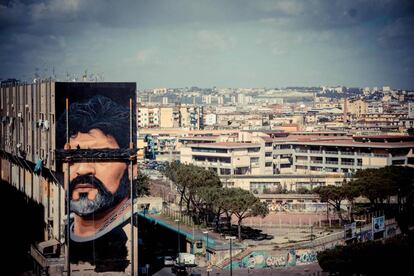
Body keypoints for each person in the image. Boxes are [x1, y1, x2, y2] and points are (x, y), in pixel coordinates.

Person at [57, 95, 136, 273]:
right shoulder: (63, 231)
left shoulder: (132, 238)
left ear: (132, 167)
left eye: (101, 156)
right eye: (73, 158)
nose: (83, 169)